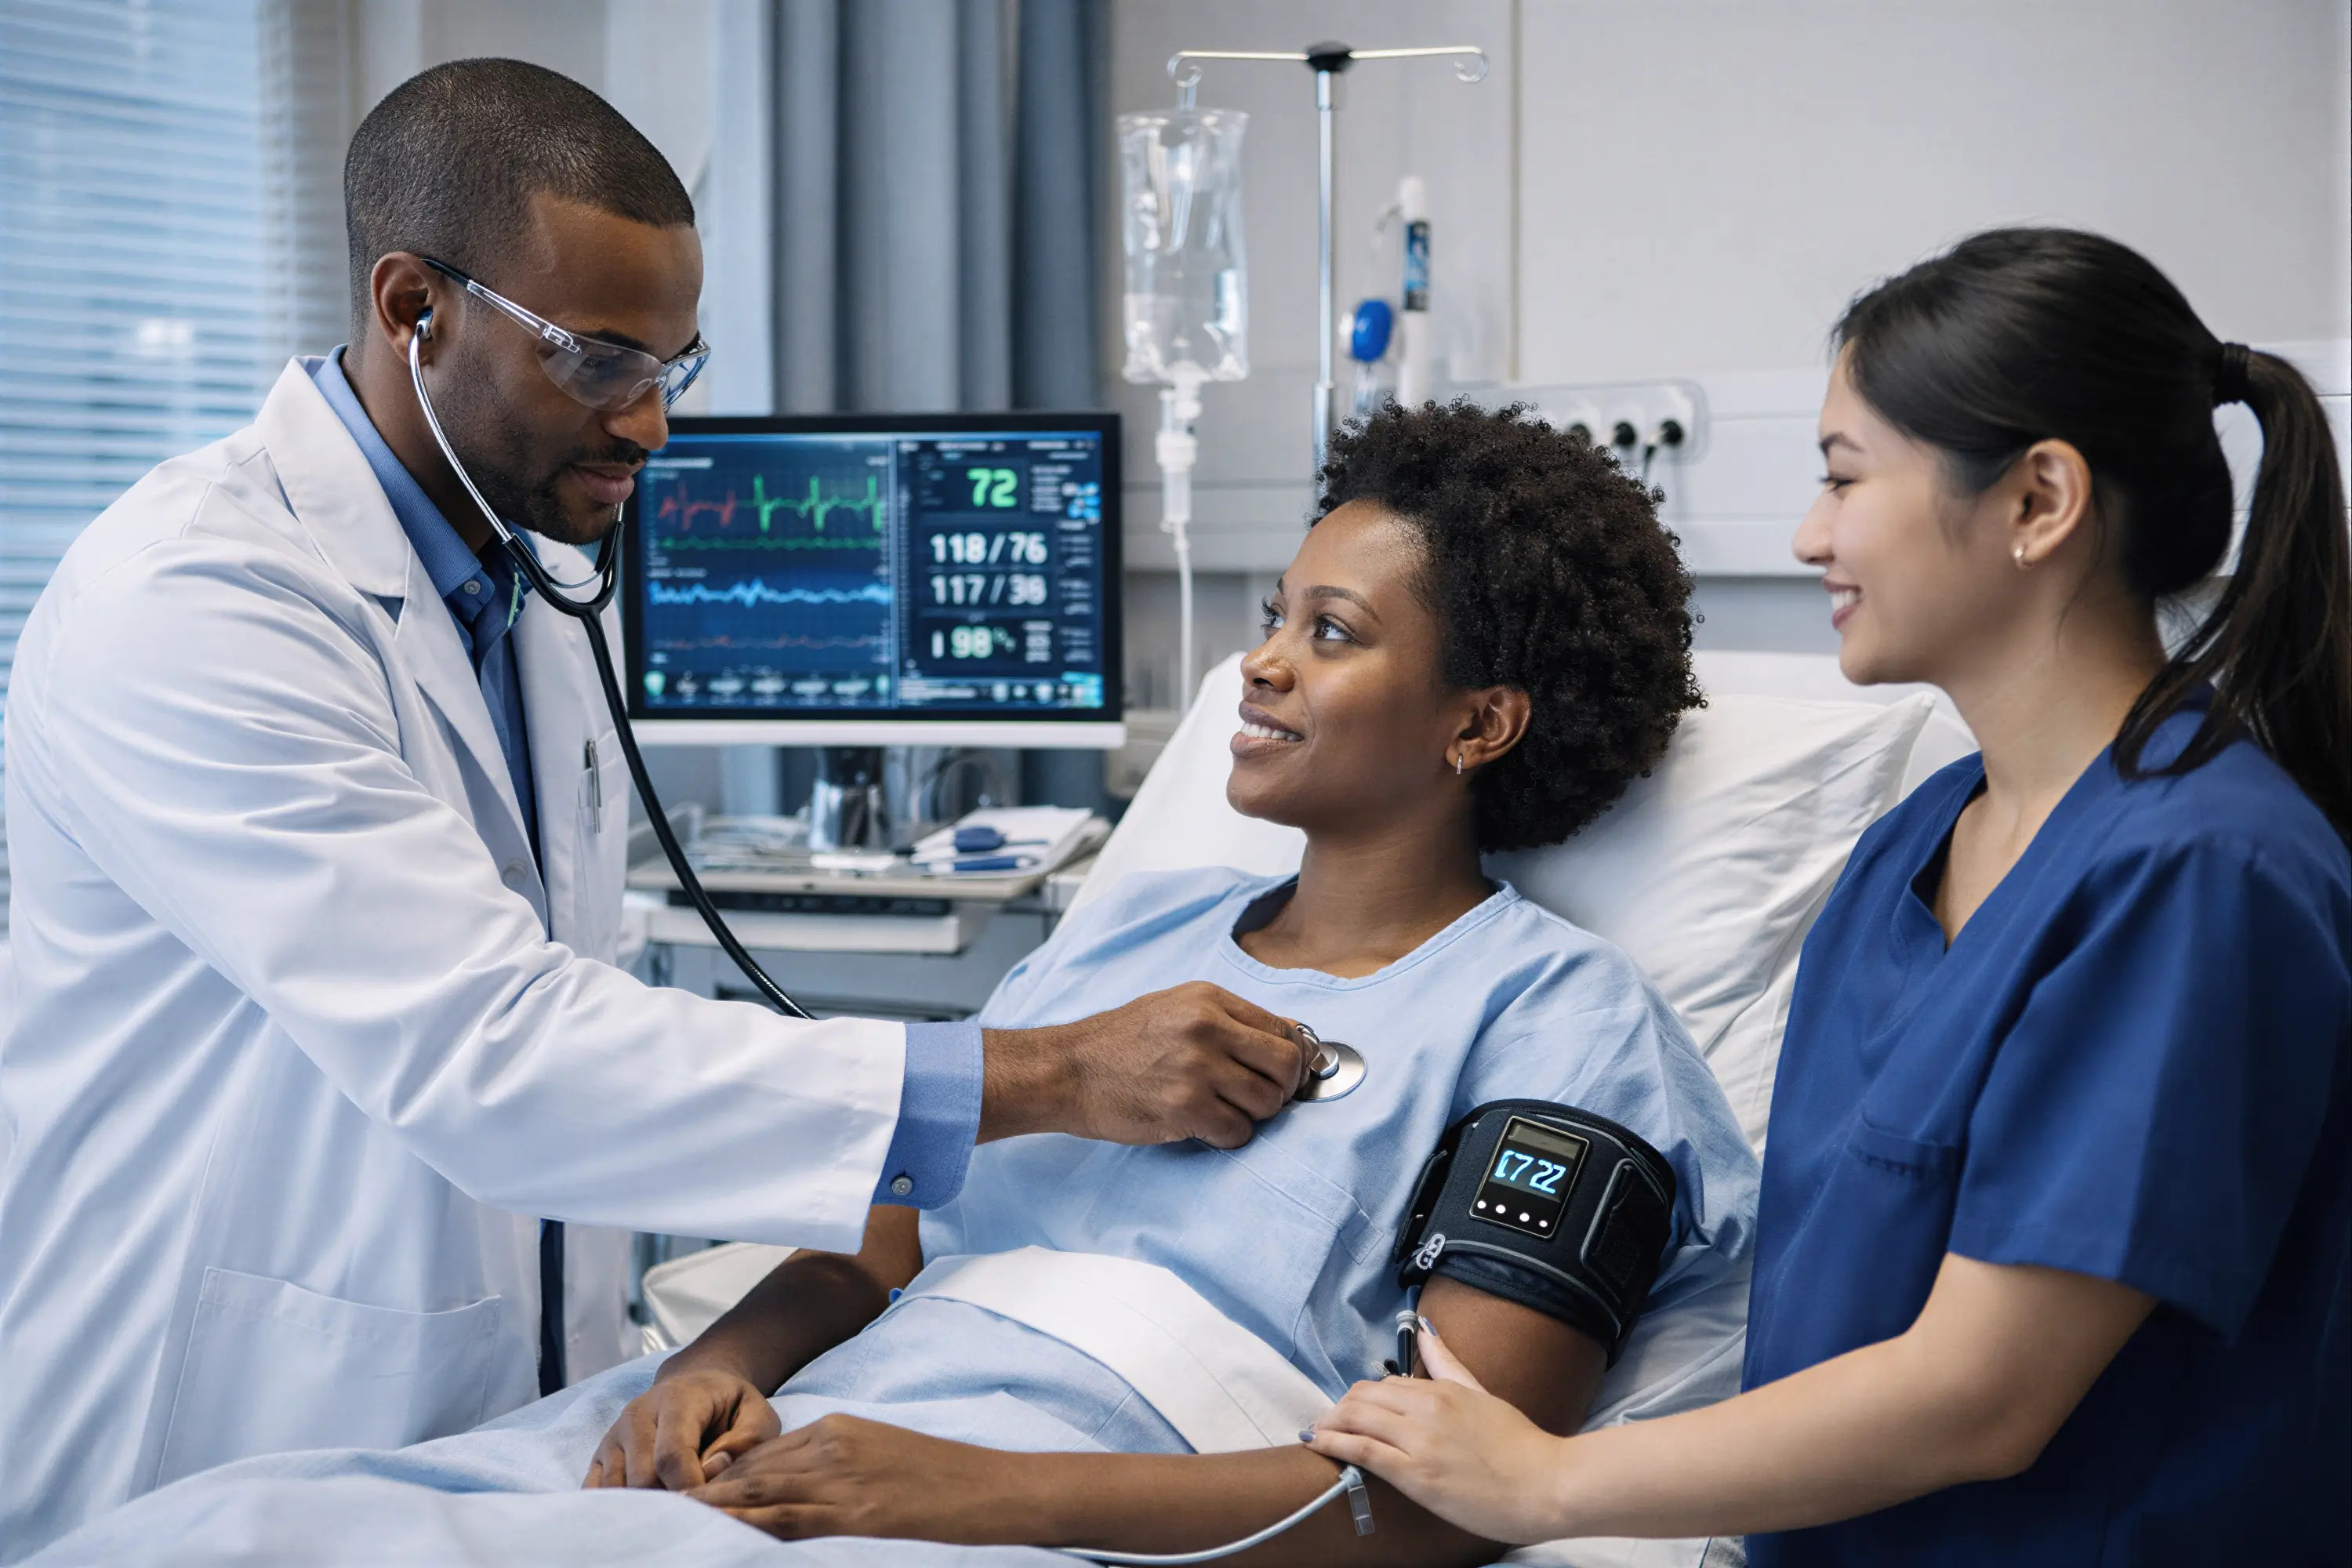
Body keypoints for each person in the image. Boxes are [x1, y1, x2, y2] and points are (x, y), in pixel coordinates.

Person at [23, 402, 1759, 1568]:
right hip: (825, 1428)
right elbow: (898, 1214)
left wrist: (968, 1494)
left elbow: (1459, 1490)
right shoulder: (1140, 922)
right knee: (228, 1531)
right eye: (1276, 613)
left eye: (1330, 631)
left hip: (1035, 1489)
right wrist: (706, 1362)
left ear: (1480, 722)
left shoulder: (1560, 1018)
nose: (1259, 660)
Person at [0, 60, 1308, 1562]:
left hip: (515, 1417)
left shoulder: (529, 573)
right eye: (603, 361)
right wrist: (1051, 1074)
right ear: (412, 303)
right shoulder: (197, 597)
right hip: (215, 1399)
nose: (654, 430)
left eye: (674, 369)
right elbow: (496, 1054)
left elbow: (570, 1010)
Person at [1305, 227, 2352, 1565]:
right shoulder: (1919, 842)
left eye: (1845, 479)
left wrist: (1544, 1483)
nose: (1810, 534)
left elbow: (1985, 1399)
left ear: (2040, 502)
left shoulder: (2203, 876)